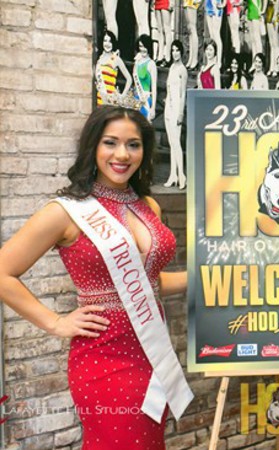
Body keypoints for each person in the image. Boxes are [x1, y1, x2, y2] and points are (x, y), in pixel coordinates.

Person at [0, 106, 194, 448]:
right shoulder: (65, 212)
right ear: (93, 146)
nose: (122, 154)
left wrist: (205, 277)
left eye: (133, 144)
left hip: (153, 356)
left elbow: (151, 284)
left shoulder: (148, 205)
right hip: (103, 359)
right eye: (110, 142)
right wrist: (55, 322)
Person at [164, 41, 189, 189]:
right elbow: (169, 90)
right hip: (168, 107)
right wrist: (167, 102)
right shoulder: (172, 68)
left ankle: (182, 175)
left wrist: (181, 113)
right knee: (171, 143)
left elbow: (183, 93)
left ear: (181, 52)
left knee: (176, 142)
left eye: (177, 50)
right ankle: (173, 175)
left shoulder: (182, 70)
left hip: (177, 109)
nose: (175, 53)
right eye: (173, 50)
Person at [95, 30, 132, 106]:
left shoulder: (116, 59)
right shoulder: (99, 59)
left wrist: (122, 96)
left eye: (110, 41)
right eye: (105, 41)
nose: (107, 44)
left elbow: (129, 79)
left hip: (110, 101)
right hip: (99, 100)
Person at [133, 34, 157, 122]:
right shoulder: (137, 62)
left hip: (145, 100)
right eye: (140, 46)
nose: (142, 49)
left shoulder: (151, 64)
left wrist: (153, 107)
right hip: (136, 100)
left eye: (145, 46)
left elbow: (154, 87)